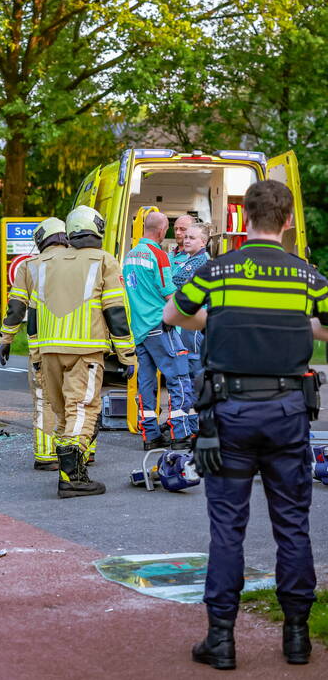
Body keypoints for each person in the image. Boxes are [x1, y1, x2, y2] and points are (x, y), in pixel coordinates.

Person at [165, 180, 325, 669]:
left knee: (227, 529)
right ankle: (297, 637)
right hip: (288, 413)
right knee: (293, 525)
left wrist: (221, 321)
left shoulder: (217, 271)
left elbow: (174, 314)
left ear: (243, 218)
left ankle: (221, 640)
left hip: (229, 416)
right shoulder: (308, 276)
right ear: (289, 220)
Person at [28, 206, 137, 498]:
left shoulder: (47, 262)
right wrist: (127, 356)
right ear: (97, 228)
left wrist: (36, 353)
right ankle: (72, 479)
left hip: (49, 349)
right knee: (84, 409)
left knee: (63, 413)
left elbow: (33, 314)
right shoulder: (103, 260)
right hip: (85, 350)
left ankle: (73, 474)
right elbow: (115, 312)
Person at [0, 217, 67, 471]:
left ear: (41, 240)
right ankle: (81, 451)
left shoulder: (31, 266)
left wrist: (5, 339)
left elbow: (16, 308)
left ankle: (47, 455)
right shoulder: (85, 262)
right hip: (81, 345)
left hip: (44, 347)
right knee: (79, 400)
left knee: (45, 400)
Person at [123, 211, 193, 451]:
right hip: (160, 326)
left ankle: (150, 434)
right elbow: (169, 294)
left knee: (146, 383)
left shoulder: (130, 256)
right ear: (162, 230)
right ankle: (180, 432)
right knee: (180, 377)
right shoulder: (159, 255)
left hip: (140, 330)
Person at [172, 223, 211, 383]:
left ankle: (198, 404)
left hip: (194, 324)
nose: (186, 240)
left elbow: (176, 281)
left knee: (195, 365)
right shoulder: (192, 259)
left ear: (203, 242)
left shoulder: (199, 261)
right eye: (186, 237)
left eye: (192, 238)